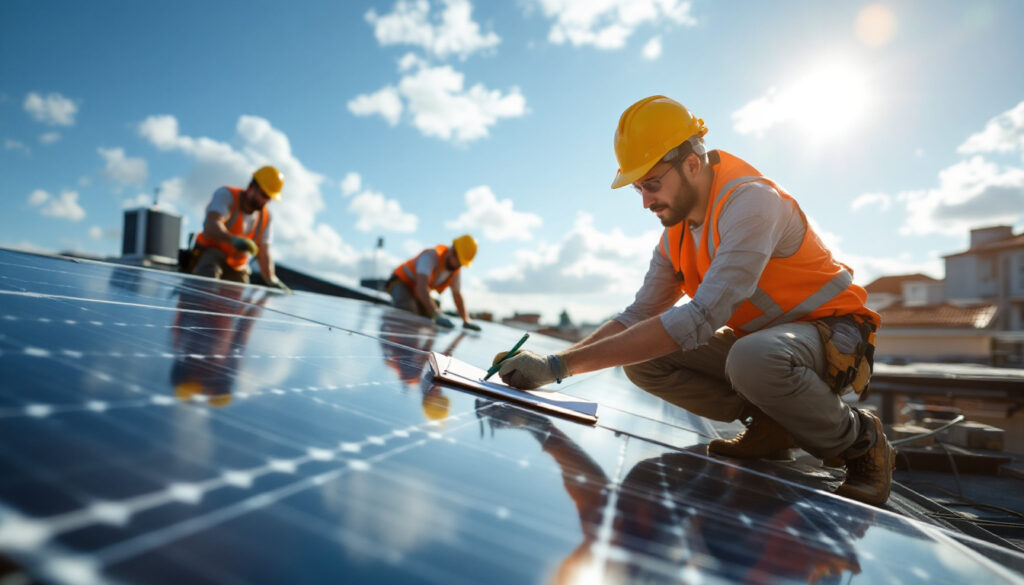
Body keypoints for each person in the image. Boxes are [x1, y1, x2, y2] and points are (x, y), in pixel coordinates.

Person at [495, 95, 894, 506]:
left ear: (690, 164)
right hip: (770, 347)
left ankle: (862, 444)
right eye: (638, 188)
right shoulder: (675, 236)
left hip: (835, 334)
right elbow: (637, 317)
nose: (645, 201)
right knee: (643, 358)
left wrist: (559, 368)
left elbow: (701, 318)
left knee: (751, 358)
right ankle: (772, 427)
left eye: (651, 184)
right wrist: (550, 364)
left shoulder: (751, 202)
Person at [192, 165, 290, 290]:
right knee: (209, 272)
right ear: (251, 187)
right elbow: (211, 225)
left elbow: (264, 252)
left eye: (269, 197)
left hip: (237, 265)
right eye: (264, 195)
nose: (266, 201)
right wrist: (233, 240)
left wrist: (272, 279)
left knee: (239, 297)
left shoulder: (266, 217)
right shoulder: (227, 195)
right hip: (211, 255)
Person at [387, 234, 481, 331]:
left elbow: (457, 295)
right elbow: (421, 288)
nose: (459, 265)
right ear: (452, 251)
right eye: (459, 261)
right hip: (401, 282)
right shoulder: (430, 256)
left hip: (417, 291)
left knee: (429, 310)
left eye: (462, 263)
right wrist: (436, 313)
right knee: (409, 308)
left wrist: (466, 320)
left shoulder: (455, 270)